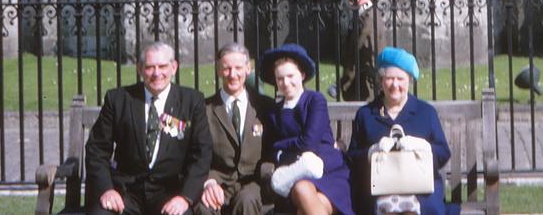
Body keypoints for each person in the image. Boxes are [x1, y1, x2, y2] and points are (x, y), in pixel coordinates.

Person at [85, 41, 212, 215]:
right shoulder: (118, 99)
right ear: (139, 69)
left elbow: (202, 154)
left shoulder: (192, 101)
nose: (156, 73)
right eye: (150, 67)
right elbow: (96, 149)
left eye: (162, 66)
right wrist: (107, 189)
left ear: (174, 67)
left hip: (169, 193)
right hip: (125, 193)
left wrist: (185, 198)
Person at [346, 47, 459, 215]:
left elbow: (443, 153)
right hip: (378, 190)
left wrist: (423, 146)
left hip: (420, 191)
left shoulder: (425, 112)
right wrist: (372, 151)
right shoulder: (366, 114)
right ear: (381, 80)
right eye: (389, 78)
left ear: (409, 80)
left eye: (401, 79)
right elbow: (352, 157)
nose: (395, 85)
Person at [259, 43, 355, 215]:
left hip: (328, 171)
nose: (286, 83)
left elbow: (308, 142)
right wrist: (283, 151)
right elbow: (269, 149)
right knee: (301, 190)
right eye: (280, 78)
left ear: (302, 75)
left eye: (290, 76)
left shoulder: (315, 100)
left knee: (304, 205)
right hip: (293, 174)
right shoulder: (273, 112)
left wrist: (282, 148)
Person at [194, 43, 274, 215]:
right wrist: (209, 182)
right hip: (218, 182)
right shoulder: (204, 108)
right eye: (226, 68)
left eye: (238, 68)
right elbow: (197, 153)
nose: (233, 75)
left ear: (248, 68)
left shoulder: (265, 106)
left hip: (254, 182)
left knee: (247, 201)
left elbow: (274, 147)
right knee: (204, 207)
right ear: (218, 70)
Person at [329, 0, 376, 101]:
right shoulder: (362, 14)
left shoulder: (368, 16)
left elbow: (359, 50)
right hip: (360, 81)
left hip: (365, 83)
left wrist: (343, 83)